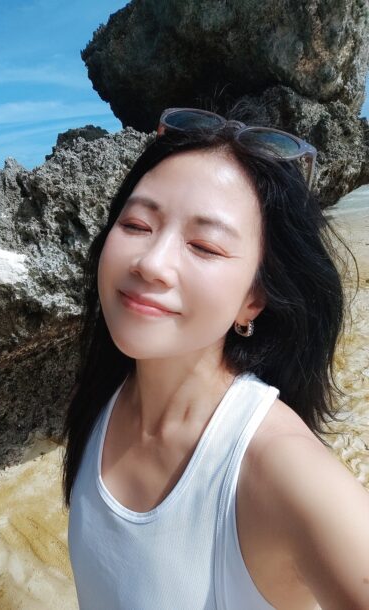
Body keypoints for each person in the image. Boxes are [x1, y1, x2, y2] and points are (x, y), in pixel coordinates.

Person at [60, 108, 369, 609]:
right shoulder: (101, 394)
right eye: (137, 223)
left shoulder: (283, 469)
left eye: (204, 246)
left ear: (254, 299)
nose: (152, 263)